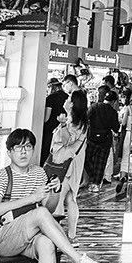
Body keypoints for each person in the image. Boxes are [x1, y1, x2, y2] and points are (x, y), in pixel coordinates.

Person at [0, 128, 107, 263]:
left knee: (46, 244)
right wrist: (32, 199)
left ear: (33, 149)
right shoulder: (0, 176)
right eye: (18, 147)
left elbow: (49, 208)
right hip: (4, 238)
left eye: (28, 146)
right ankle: (78, 261)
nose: (24, 151)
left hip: (29, 236)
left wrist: (54, 191)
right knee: (40, 213)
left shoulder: (38, 173)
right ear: (9, 152)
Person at [49, 91, 88, 241]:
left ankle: (58, 236)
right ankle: (71, 234)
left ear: (72, 104)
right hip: (74, 164)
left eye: (68, 99)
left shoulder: (73, 123)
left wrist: (62, 125)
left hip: (66, 165)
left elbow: (67, 140)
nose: (65, 100)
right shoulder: (82, 122)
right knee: (71, 199)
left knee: (59, 197)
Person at [83, 88, 119, 192]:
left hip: (92, 138)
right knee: (101, 162)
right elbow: (116, 128)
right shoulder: (113, 112)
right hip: (105, 140)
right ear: (114, 101)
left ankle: (93, 178)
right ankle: (96, 184)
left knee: (86, 158)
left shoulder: (94, 106)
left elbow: (86, 118)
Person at [40, 79, 67, 163]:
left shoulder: (50, 98)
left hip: (50, 130)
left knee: (46, 153)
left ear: (51, 87)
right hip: (63, 130)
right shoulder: (67, 97)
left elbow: (46, 118)